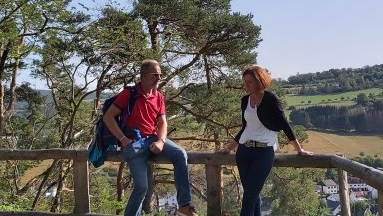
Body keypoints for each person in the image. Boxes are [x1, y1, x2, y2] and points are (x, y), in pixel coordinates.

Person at [216, 65, 313, 216]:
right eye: (245, 82)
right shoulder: (245, 101)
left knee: (248, 199)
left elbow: (285, 125)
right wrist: (230, 147)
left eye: (249, 82)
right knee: (252, 196)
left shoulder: (271, 99)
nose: (246, 85)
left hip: (263, 153)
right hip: (244, 152)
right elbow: (245, 127)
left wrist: (299, 150)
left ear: (260, 81)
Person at [104, 59, 198, 216]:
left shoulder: (158, 96)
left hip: (153, 139)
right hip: (133, 144)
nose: (159, 78)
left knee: (180, 154)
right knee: (141, 187)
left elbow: (162, 122)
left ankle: (184, 205)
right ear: (144, 76)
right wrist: (123, 138)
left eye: (160, 75)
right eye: (155, 75)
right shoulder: (129, 94)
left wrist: (161, 141)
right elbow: (108, 117)